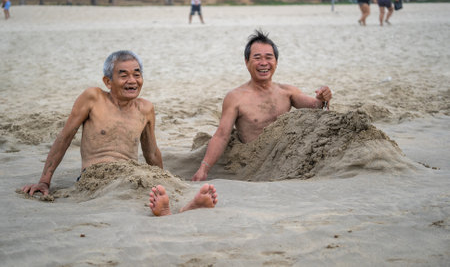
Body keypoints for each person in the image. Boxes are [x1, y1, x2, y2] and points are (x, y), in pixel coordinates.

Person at [21, 50, 218, 216]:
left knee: (156, 186)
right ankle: (169, 209)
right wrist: (44, 181)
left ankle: (187, 205)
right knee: (128, 193)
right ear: (108, 81)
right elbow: (65, 137)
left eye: (137, 74)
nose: (132, 81)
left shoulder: (145, 108)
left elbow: (151, 153)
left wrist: (162, 178)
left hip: (132, 171)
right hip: (96, 176)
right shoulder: (93, 98)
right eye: (123, 75)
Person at [191, 30, 333, 181]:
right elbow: (222, 135)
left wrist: (323, 97)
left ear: (276, 62)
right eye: (257, 58)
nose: (263, 63)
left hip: (285, 162)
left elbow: (316, 108)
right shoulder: (235, 97)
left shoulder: (287, 92)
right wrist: (203, 169)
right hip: (253, 166)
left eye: (269, 57)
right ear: (247, 62)